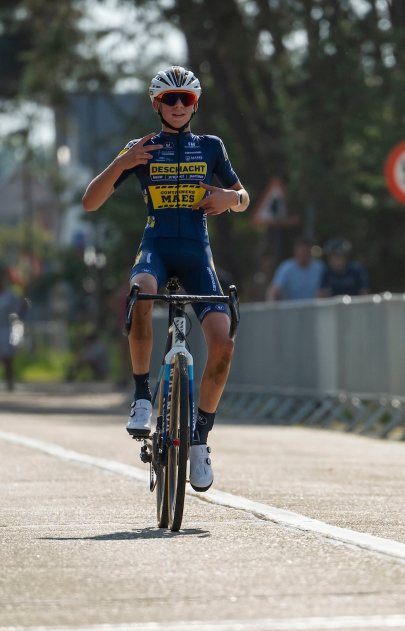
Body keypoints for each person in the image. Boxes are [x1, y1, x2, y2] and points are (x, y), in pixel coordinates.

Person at [81, 65, 251, 492]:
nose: (178, 106)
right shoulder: (143, 147)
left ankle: (199, 438)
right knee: (140, 294)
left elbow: (244, 196)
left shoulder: (211, 146)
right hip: (156, 247)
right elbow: (90, 202)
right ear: (157, 104)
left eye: (186, 99)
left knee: (223, 342)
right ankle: (142, 396)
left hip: (197, 255)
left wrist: (230, 198)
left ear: (195, 105)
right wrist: (123, 161)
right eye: (170, 99)